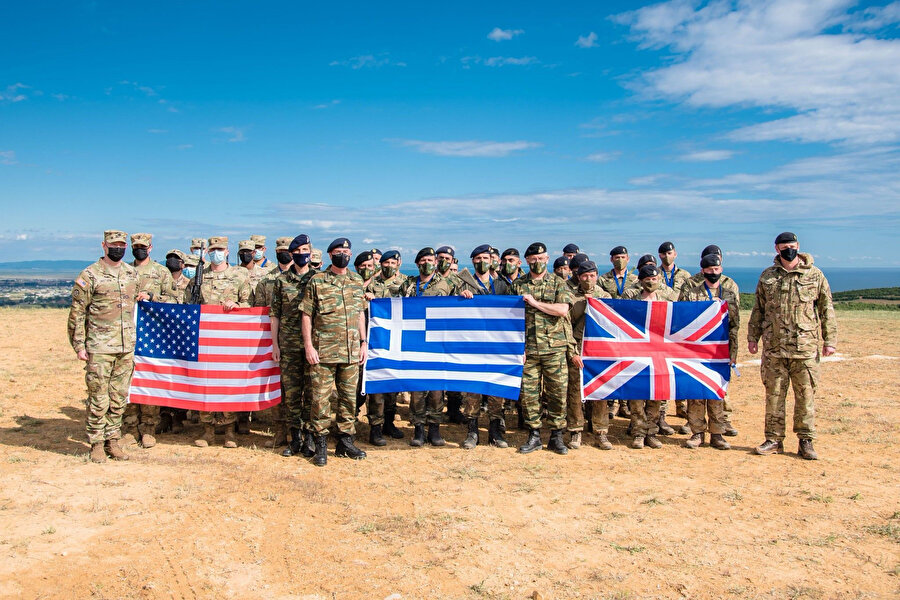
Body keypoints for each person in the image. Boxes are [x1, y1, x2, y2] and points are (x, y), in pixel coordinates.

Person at [748, 232, 837, 460]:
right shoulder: (768, 276)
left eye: (792, 245)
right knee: (774, 395)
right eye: (784, 246)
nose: (789, 249)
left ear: (798, 246)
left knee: (805, 396)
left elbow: (826, 309)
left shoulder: (815, 275)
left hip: (804, 349)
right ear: (776, 249)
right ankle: (774, 439)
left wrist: (830, 341)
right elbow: (758, 308)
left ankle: (806, 441)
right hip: (774, 348)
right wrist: (752, 337)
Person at [68, 230, 143, 462]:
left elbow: (136, 301)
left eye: (121, 244)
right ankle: (96, 443)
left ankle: (113, 440)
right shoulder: (90, 275)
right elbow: (77, 312)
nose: (118, 248)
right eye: (114, 244)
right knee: (98, 397)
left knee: (119, 396)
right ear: (104, 245)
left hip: (125, 346)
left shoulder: (132, 274)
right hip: (99, 346)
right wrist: (79, 345)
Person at [301, 237, 368, 467]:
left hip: (350, 351)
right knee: (320, 399)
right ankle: (320, 443)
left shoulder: (356, 281)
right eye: (339, 251)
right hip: (324, 351)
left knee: (349, 399)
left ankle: (345, 442)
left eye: (347, 251)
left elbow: (360, 312)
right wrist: (309, 346)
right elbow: (307, 315)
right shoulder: (317, 281)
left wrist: (363, 341)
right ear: (330, 255)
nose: (344, 255)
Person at [509, 242, 574, 455]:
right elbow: (511, 319)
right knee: (528, 395)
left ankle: (556, 436)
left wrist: (535, 303)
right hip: (529, 350)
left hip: (554, 348)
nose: (537, 262)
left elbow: (562, 310)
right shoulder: (518, 285)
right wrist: (518, 347)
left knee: (557, 393)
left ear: (547, 259)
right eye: (533, 259)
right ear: (527, 261)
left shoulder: (559, 283)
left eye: (541, 258)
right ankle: (534, 434)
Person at [192, 236, 252, 448]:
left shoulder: (239, 275)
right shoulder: (201, 277)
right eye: (212, 249)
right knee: (205, 383)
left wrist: (236, 305)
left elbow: (250, 304)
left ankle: (229, 431)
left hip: (230, 339)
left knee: (227, 384)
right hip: (205, 339)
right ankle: (207, 430)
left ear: (227, 251)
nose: (216, 253)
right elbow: (189, 305)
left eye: (220, 249)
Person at [678, 253, 739, 450]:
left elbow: (734, 326)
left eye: (717, 270)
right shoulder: (691, 294)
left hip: (718, 352)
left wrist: (733, 353)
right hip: (695, 351)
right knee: (695, 393)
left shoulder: (728, 294)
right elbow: (680, 320)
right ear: (702, 270)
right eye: (710, 270)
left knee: (716, 392)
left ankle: (717, 434)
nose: (714, 273)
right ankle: (697, 432)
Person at [455, 244, 511, 449]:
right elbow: (452, 312)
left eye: (486, 258)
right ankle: (472, 432)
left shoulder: (502, 285)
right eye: (478, 259)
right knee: (473, 389)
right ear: (473, 262)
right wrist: (461, 299)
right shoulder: (462, 284)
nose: (482, 262)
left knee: (496, 389)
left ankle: (495, 431)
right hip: (472, 345)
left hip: (497, 345)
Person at [122, 232, 175, 448]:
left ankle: (149, 428)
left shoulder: (161, 272)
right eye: (136, 246)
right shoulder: (124, 271)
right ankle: (130, 427)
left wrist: (152, 298)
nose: (139, 249)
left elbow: (175, 299)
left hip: (153, 335)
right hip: (127, 333)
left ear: (151, 248)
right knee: (128, 380)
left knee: (149, 380)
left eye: (143, 246)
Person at [398, 247, 455, 446]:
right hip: (415, 343)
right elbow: (396, 307)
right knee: (417, 389)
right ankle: (418, 429)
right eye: (423, 260)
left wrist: (465, 295)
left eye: (430, 259)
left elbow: (458, 308)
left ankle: (435, 430)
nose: (427, 263)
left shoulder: (448, 284)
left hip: (438, 343)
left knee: (437, 389)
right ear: (417, 263)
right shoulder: (408, 284)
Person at [271, 234, 318, 457]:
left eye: (305, 250)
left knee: (311, 394)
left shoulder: (319, 279)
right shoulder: (282, 281)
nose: (302, 254)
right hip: (288, 345)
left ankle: (310, 438)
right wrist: (275, 345)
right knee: (291, 395)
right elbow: (275, 315)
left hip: (313, 346)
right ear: (291, 254)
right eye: (297, 251)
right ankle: (295, 439)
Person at [622, 264, 677, 449]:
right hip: (637, 352)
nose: (651, 282)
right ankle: (638, 433)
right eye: (648, 280)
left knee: (656, 394)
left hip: (660, 352)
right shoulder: (631, 300)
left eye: (654, 279)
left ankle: (651, 432)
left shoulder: (667, 298)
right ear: (640, 281)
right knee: (637, 395)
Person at [567, 261, 612, 449]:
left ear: (597, 275)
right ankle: (575, 431)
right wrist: (572, 351)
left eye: (592, 275)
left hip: (599, 348)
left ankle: (600, 432)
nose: (588, 279)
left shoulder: (605, 296)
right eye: (584, 276)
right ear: (578, 277)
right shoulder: (571, 297)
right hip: (578, 346)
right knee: (575, 391)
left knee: (599, 391)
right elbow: (566, 326)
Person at [352, 251, 395, 446]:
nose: (367, 269)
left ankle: (376, 429)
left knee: (377, 391)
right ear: (356, 267)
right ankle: (348, 425)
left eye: (371, 266)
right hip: (351, 344)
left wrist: (375, 299)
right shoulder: (349, 283)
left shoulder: (381, 288)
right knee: (352, 389)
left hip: (377, 345)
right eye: (363, 266)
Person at [599, 245, 637, 420]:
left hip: (631, 330)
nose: (619, 259)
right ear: (611, 260)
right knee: (611, 367)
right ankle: (611, 404)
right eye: (616, 257)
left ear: (628, 259)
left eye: (622, 256)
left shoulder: (636, 280)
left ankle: (625, 404)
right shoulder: (602, 280)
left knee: (628, 366)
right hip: (609, 328)